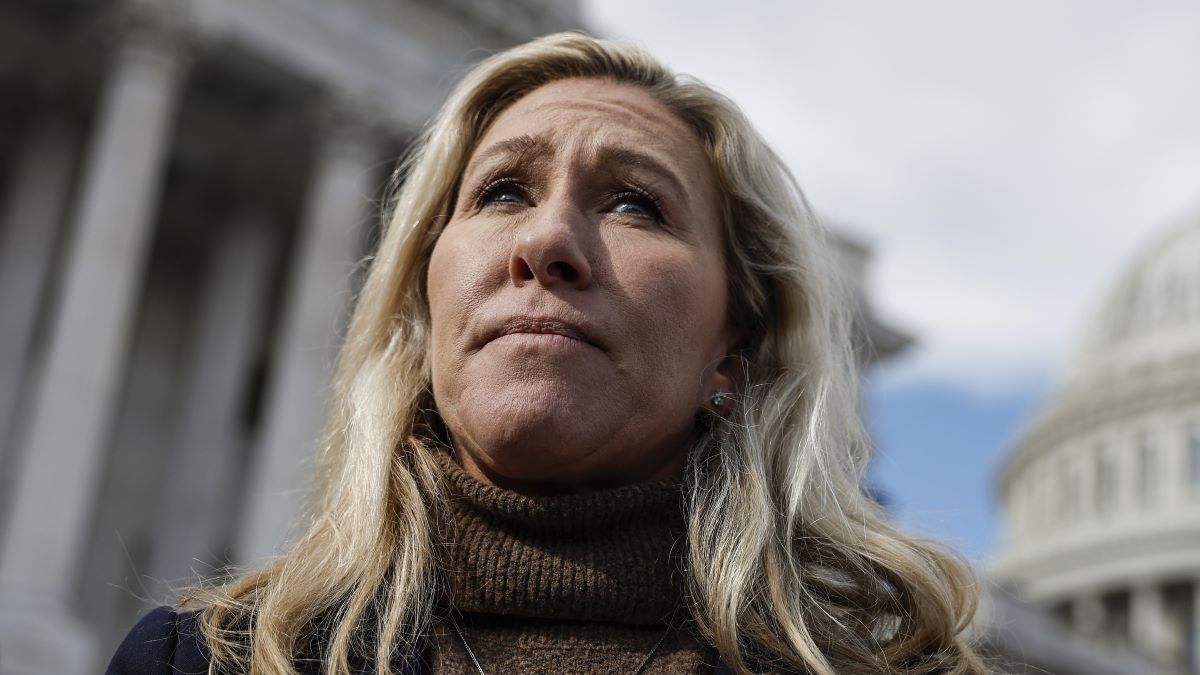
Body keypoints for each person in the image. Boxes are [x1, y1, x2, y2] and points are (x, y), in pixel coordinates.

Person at [107, 32, 984, 675]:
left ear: (734, 349)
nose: (548, 238)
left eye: (636, 205)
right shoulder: (195, 662)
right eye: (500, 191)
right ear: (425, 304)